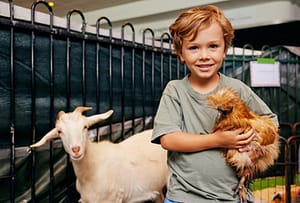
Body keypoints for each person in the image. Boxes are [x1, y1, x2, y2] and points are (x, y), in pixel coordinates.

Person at [151, 5, 278, 203]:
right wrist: (219, 140)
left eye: (213, 46)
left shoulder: (237, 87)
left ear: (225, 49)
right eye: (194, 47)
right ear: (180, 53)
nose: (204, 55)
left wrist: (253, 147)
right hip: (185, 197)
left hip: (233, 197)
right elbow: (168, 139)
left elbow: (271, 121)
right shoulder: (175, 90)